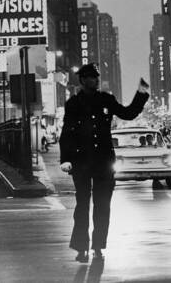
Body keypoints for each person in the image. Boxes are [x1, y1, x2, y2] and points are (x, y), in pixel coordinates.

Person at [59, 63, 149, 263]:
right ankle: (81, 248)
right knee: (82, 206)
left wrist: (141, 94)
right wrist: (65, 159)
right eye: (92, 77)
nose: (96, 80)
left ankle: (98, 246)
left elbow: (128, 113)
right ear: (83, 80)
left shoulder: (106, 99)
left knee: (103, 206)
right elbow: (67, 132)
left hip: (103, 162)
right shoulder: (73, 103)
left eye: (97, 77)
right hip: (81, 162)